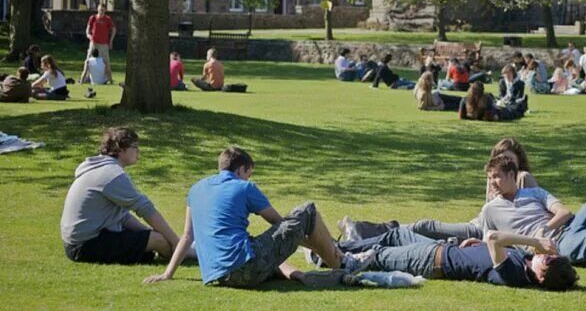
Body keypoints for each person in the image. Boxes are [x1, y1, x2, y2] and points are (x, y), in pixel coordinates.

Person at [143, 147, 370, 288]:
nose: (248, 178)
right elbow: (281, 226)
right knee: (307, 211)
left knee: (255, 244)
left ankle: (301, 274)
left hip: (217, 275)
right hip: (246, 269)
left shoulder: (196, 189)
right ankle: (342, 265)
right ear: (241, 170)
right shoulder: (245, 188)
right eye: (248, 174)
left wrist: (167, 274)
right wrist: (321, 243)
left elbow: (186, 236)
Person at [338, 138, 538, 243]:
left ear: (519, 162)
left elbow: (536, 216)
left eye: (510, 160)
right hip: (478, 224)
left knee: (427, 228)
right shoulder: (493, 177)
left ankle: (362, 232)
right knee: (423, 231)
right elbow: (487, 209)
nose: (505, 164)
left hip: (486, 232)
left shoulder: (523, 179)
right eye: (500, 159)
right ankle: (363, 232)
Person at [60, 128, 188, 264]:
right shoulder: (112, 174)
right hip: (85, 246)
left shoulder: (101, 168)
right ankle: (188, 255)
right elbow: (145, 209)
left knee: (152, 241)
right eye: (135, 147)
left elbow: (122, 217)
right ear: (120, 149)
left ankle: (184, 250)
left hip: (78, 243)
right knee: (159, 241)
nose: (139, 151)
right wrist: (176, 242)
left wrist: (149, 231)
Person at [334, 227, 578, 291]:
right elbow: (490, 244)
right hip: (438, 248)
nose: (544, 254)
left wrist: (535, 243)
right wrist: (479, 245)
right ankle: (336, 246)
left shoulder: (515, 275)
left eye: (547, 258)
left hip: (431, 260)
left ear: (543, 273)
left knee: (377, 255)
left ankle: (328, 256)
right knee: (396, 234)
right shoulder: (525, 260)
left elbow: (493, 237)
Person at [459, 81, 525, 121]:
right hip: (498, 112)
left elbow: (488, 117)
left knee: (514, 111)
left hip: (497, 112)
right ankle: (521, 104)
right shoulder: (465, 100)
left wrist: (474, 117)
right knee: (512, 111)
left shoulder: (486, 98)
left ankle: (522, 104)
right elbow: (461, 117)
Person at [86, 3, 116, 83]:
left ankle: (110, 80)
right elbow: (87, 30)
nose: (101, 11)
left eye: (103, 10)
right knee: (88, 60)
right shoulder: (93, 18)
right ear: (97, 9)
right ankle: (87, 78)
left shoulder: (107, 19)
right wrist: (89, 36)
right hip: (94, 43)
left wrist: (111, 41)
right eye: (100, 10)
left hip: (104, 44)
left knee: (106, 62)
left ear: (105, 10)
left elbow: (113, 29)